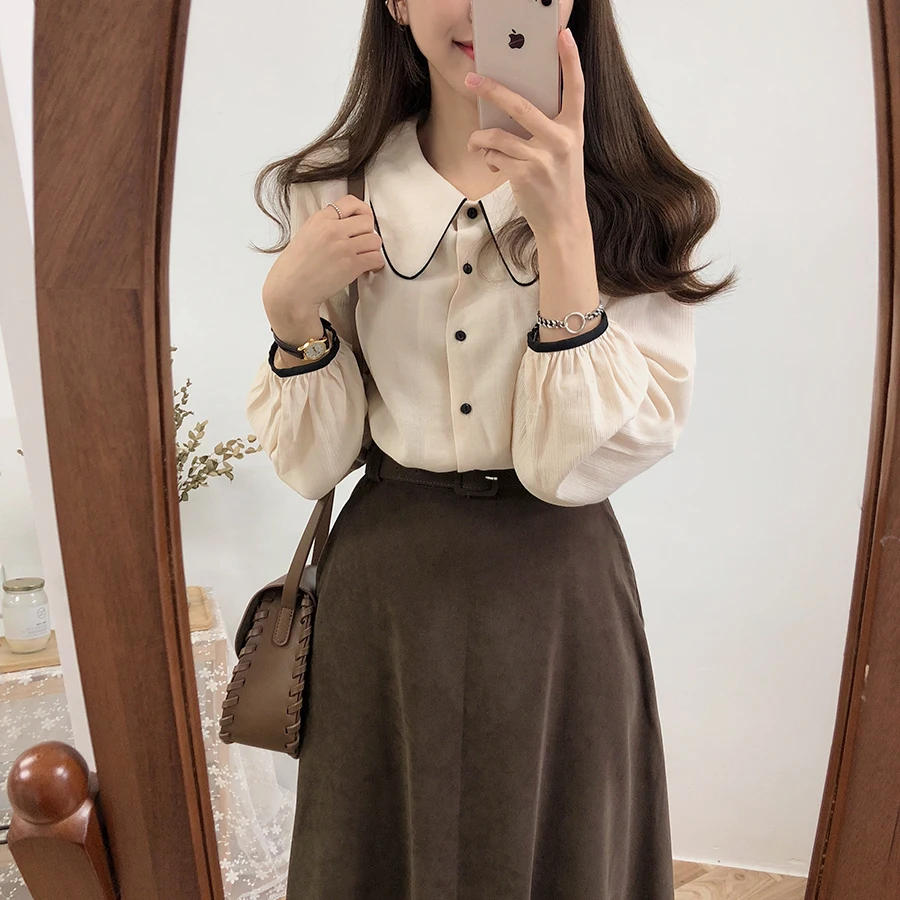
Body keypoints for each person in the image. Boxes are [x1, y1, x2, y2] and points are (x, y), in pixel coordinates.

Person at [246, 1, 735, 898]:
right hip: (385, 592)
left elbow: (571, 468)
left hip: (558, 590)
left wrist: (564, 231)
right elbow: (313, 465)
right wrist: (289, 311)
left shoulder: (640, 200)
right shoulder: (333, 188)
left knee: (563, 853)